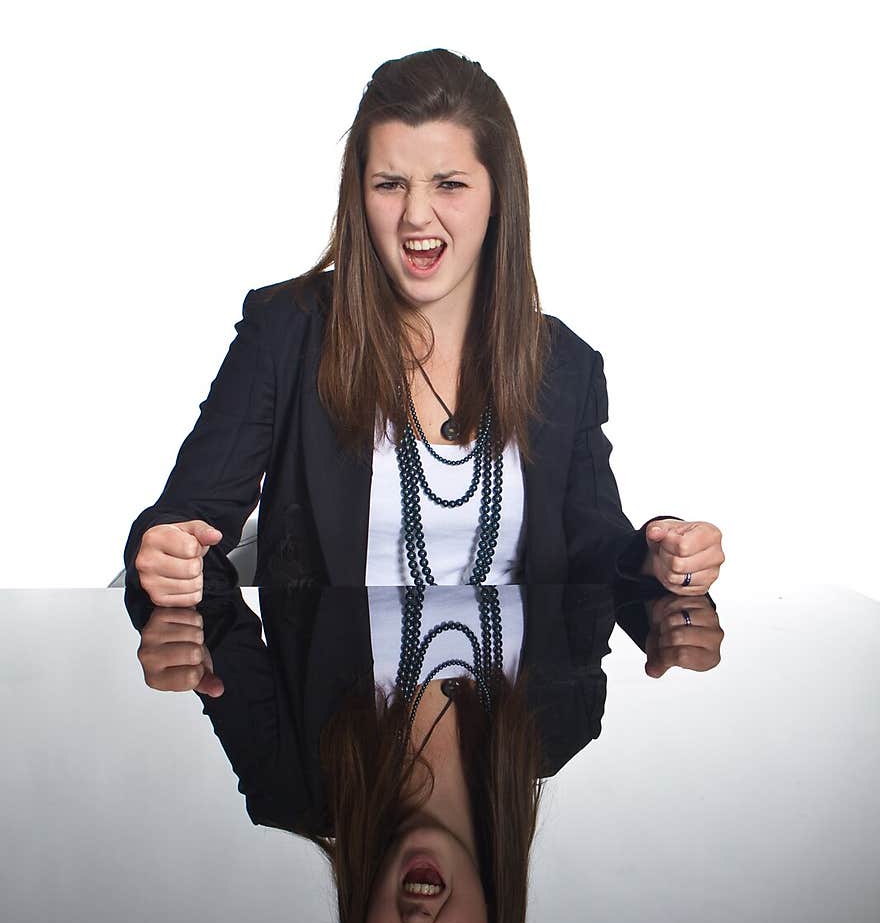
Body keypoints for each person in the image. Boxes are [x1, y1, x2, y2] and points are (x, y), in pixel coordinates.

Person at [124, 46, 725, 603]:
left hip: (514, 711)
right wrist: (163, 549)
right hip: (329, 707)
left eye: (450, 184)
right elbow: (184, 517)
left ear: (498, 196)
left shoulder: (563, 363)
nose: (416, 214)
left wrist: (657, 554)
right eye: (389, 185)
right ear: (359, 197)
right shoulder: (286, 333)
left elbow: (593, 549)